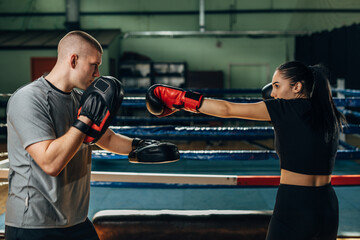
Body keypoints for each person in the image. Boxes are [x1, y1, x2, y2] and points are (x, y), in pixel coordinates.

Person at [5, 30, 179, 240]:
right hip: (35, 225)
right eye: (94, 65)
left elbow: (106, 138)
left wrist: (140, 145)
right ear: (73, 60)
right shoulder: (29, 99)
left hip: (76, 221)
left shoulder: (80, 99)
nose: (97, 73)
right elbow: (50, 162)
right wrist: (86, 118)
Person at [146, 60, 346, 240]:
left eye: (277, 86)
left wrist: (182, 99)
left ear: (297, 87)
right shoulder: (330, 115)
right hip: (327, 205)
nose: (273, 93)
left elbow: (227, 109)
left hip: (295, 202)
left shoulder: (284, 109)